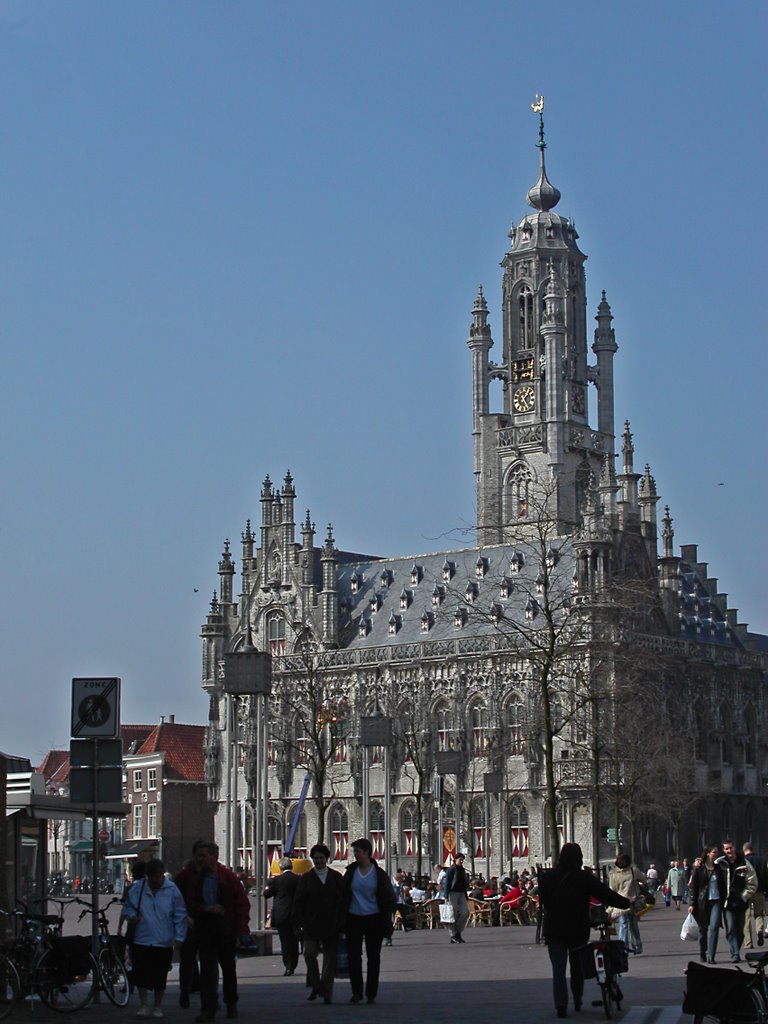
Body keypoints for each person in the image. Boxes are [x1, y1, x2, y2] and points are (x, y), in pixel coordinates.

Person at [538, 842, 630, 1020]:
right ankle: (578, 999)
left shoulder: (548, 878)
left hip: (554, 929)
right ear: (579, 858)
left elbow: (545, 902)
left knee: (558, 970)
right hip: (577, 928)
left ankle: (561, 1006)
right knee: (576, 967)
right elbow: (605, 894)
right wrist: (625, 903)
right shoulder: (584, 877)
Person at [180, 841, 251, 1022]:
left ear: (213, 857)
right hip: (205, 929)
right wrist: (206, 909)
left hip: (225, 929)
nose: (201, 859)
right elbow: (191, 904)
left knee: (228, 969)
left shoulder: (228, 877)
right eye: (199, 856)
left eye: (204, 856)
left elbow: (242, 904)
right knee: (207, 971)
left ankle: (231, 1003)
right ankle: (208, 1009)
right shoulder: (197, 879)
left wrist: (241, 930)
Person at [122, 858, 187, 1020]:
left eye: (158, 877)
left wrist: (179, 936)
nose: (155, 881)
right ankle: (143, 1004)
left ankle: (157, 1006)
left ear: (162, 875)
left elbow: (180, 914)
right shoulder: (138, 889)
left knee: (160, 975)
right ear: (147, 877)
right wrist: (131, 916)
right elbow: (128, 906)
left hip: (163, 940)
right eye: (152, 878)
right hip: (141, 938)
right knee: (140, 974)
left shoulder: (172, 890)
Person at [341, 837, 396, 1005]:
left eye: (358, 851)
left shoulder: (378, 874)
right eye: (354, 851)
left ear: (367, 852)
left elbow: (387, 896)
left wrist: (388, 915)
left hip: (374, 918)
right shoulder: (351, 872)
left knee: (373, 956)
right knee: (353, 956)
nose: (355, 854)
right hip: (354, 917)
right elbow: (343, 895)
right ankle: (356, 991)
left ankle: (371, 992)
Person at [293, 844, 345, 1004]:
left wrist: (343, 924)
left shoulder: (336, 877)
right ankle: (316, 984)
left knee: (329, 960)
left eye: (321, 858)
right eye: (316, 858)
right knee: (309, 953)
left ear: (327, 859)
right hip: (311, 924)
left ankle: (327, 992)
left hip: (332, 924)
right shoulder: (306, 878)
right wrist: (297, 923)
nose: (319, 861)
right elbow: (298, 902)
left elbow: (343, 901)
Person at [716, 838, 758, 963]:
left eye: (731, 848)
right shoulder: (720, 863)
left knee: (740, 930)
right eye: (726, 849)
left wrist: (744, 896)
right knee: (730, 928)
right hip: (727, 902)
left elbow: (752, 882)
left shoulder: (744, 863)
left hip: (740, 902)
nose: (729, 851)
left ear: (734, 848)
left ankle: (736, 948)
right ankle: (735, 953)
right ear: (724, 850)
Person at [263, 857, 300, 976]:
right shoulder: (298, 879)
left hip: (281, 915)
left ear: (280, 867)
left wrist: (268, 886)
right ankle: (294, 963)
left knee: (285, 942)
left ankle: (288, 966)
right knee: (294, 941)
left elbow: (266, 894)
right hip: (295, 915)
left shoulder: (276, 880)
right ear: (291, 867)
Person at [688, 845, 721, 963]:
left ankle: (711, 955)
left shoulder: (718, 867)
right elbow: (694, 886)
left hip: (716, 900)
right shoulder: (699, 868)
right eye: (714, 852)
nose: (716, 854)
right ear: (707, 853)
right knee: (703, 929)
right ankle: (703, 951)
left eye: (717, 852)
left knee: (714, 927)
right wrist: (692, 903)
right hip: (702, 901)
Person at [608, 853, 646, 955]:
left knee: (623, 925)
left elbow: (612, 889)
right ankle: (637, 946)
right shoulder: (633, 870)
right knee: (633, 925)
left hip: (619, 902)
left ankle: (623, 948)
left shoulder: (612, 873)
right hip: (631, 901)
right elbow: (644, 880)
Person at [743, 843, 767, 950]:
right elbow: (766, 877)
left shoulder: (742, 861)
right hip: (759, 890)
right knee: (759, 914)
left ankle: (748, 942)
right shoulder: (762, 861)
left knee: (746, 917)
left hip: (746, 892)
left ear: (744, 851)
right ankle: (759, 929)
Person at [443, 853, 470, 944]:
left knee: (464, 912)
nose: (461, 861)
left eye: (462, 860)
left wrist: (465, 896)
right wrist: (446, 895)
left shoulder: (462, 870)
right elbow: (447, 882)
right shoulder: (451, 870)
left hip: (461, 893)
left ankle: (457, 932)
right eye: (460, 860)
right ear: (455, 860)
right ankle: (453, 935)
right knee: (452, 915)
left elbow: (464, 884)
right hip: (452, 893)